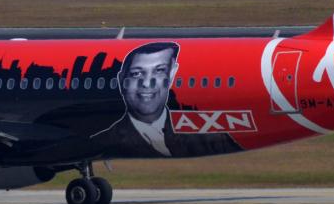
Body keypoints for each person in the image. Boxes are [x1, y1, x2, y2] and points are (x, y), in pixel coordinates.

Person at [91, 42, 240, 157]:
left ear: (172, 75)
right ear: (122, 79)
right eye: (136, 74)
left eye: (159, 71)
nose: (147, 83)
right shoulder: (104, 137)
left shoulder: (211, 136)